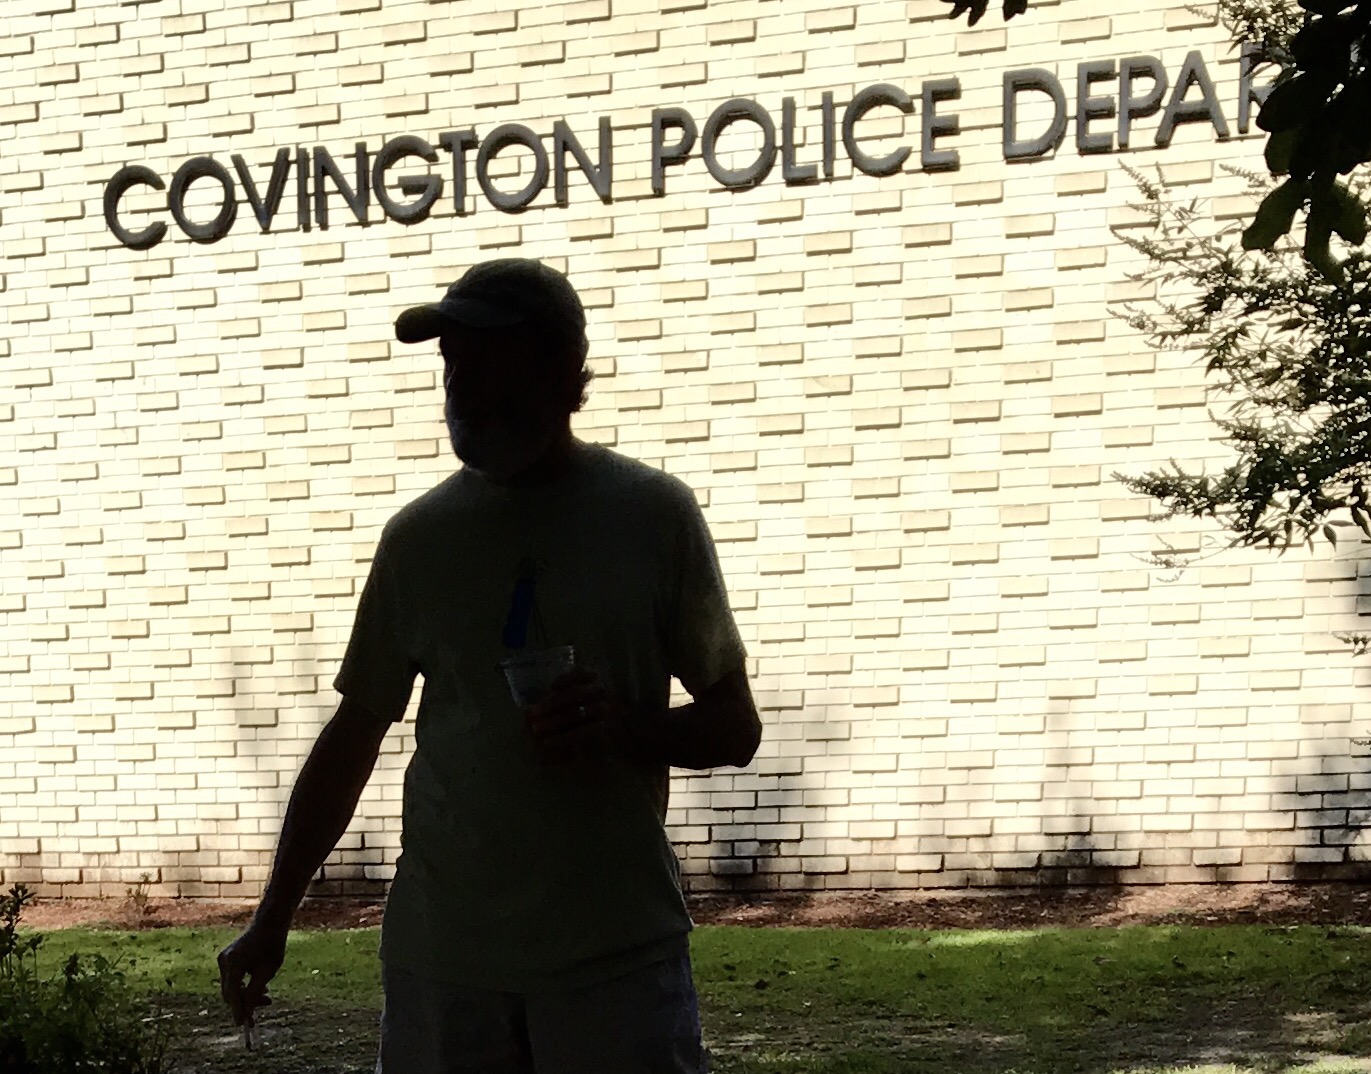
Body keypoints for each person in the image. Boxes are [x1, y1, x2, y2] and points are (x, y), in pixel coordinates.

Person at [217, 258, 763, 1073]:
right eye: (451, 362)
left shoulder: (652, 517)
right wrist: (273, 916)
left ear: (562, 372)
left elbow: (735, 728)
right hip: (445, 964)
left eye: (489, 360)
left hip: (614, 957)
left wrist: (623, 728)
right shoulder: (420, 540)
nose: (462, 386)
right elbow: (354, 734)